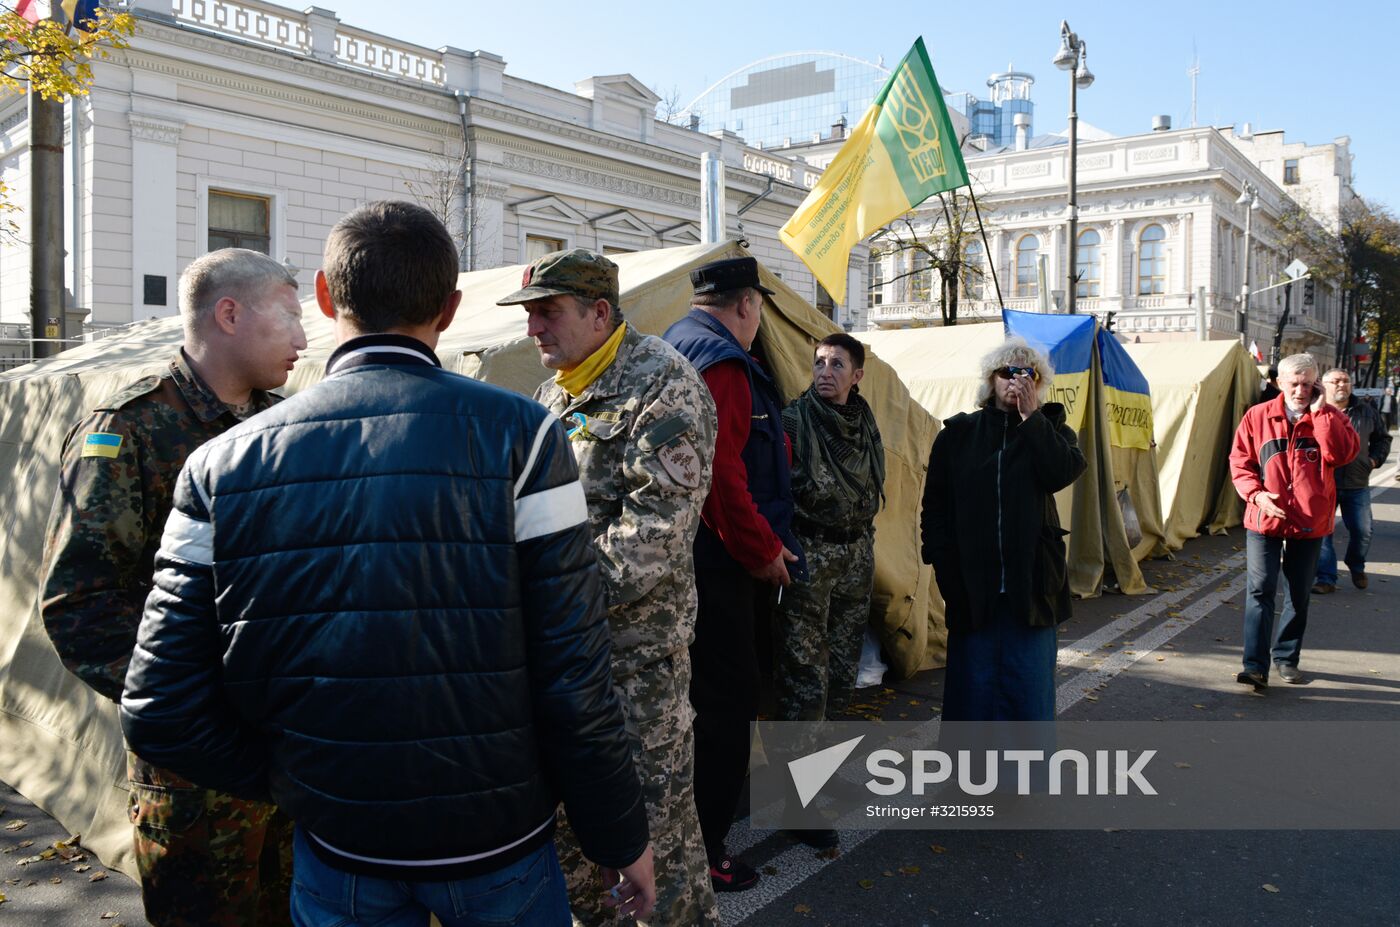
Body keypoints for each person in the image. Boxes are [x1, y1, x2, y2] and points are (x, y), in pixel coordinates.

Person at [120, 202, 655, 926]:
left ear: (323, 297)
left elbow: (159, 706)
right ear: (452, 308)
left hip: (340, 848)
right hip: (499, 844)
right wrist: (619, 835)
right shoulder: (523, 435)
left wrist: (296, 780)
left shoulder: (218, 465)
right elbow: (575, 676)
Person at [39, 248, 304, 927]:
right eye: (291, 317)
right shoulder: (127, 431)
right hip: (195, 774)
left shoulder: (285, 430)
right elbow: (81, 607)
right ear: (229, 313)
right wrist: (191, 704)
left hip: (288, 756)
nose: (304, 339)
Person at [498, 248, 720, 925]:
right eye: (530, 314)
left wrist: (541, 596)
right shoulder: (556, 391)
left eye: (548, 312)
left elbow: (654, 536)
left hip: (633, 675)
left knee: (657, 856)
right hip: (566, 669)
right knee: (577, 855)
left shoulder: (664, 387)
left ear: (600, 313)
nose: (533, 328)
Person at [663, 256, 804, 893]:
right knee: (726, 705)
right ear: (747, 305)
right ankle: (708, 848)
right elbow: (721, 479)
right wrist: (762, 551)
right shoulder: (721, 363)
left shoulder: (673, 344)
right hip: (716, 564)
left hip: (680, 559)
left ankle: (682, 837)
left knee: (689, 705)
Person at [920, 336, 1085, 724]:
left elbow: (1061, 473)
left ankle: (1022, 776)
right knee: (971, 689)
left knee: (1027, 690)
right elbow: (935, 509)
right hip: (971, 584)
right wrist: (944, 566)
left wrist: (1032, 421)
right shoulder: (958, 435)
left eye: (1028, 374)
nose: (1017, 381)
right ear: (990, 380)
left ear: (1040, 383)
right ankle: (968, 777)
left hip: (1032, 584)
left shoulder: (1054, 430)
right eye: (1007, 372)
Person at [773, 333, 884, 847]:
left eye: (837, 364)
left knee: (841, 672)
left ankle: (820, 770)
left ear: (857, 375)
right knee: (804, 679)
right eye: (819, 362)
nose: (825, 371)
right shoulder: (794, 420)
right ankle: (797, 799)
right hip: (810, 556)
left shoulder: (862, 421)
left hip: (855, 553)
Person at [1229, 352, 1358, 688]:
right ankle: (1255, 666)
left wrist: (1322, 414)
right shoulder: (1257, 416)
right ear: (1279, 384)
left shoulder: (1329, 416)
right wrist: (1256, 496)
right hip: (1263, 519)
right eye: (1294, 384)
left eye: (1307, 384)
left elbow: (1341, 455)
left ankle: (1286, 658)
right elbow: (1240, 463)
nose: (1301, 390)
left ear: (1316, 384)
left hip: (1310, 521)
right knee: (1260, 590)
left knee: (1298, 593)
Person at [1312, 368, 1391, 594]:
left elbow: (1383, 439)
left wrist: (1374, 460)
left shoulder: (1366, 411)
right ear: (1323, 385)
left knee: (1363, 530)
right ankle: (1326, 578)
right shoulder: (1315, 411)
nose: (1341, 385)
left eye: (1345, 381)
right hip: (1324, 483)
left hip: (1357, 483)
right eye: (1335, 381)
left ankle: (1356, 564)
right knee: (1323, 532)